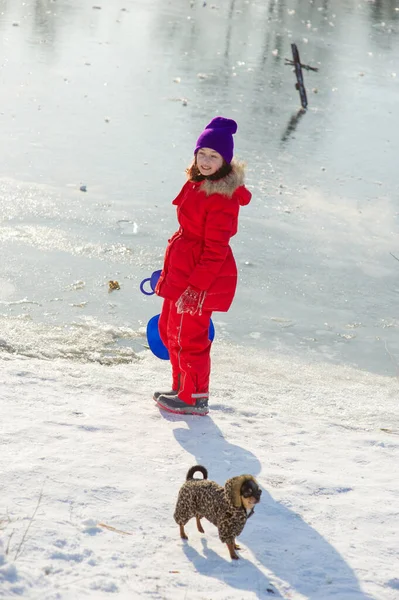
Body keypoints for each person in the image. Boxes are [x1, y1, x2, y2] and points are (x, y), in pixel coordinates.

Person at [154, 116, 252, 416]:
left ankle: (195, 396)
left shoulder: (222, 198)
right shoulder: (198, 183)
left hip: (201, 277)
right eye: (202, 154)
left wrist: (196, 288)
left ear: (225, 160)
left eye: (213, 156)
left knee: (189, 337)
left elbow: (215, 250)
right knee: (170, 330)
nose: (206, 161)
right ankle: (181, 387)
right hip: (182, 271)